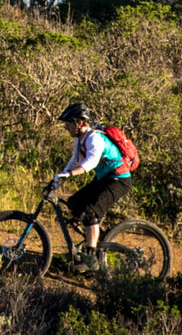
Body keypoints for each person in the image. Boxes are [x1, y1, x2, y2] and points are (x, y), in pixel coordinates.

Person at [53, 102, 133, 273]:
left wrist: (70, 175)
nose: (66, 127)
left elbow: (90, 163)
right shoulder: (79, 139)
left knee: (90, 212)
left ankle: (91, 258)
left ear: (79, 122)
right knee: (74, 203)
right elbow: (74, 161)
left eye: (68, 124)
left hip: (119, 179)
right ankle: (95, 240)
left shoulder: (94, 138)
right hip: (105, 179)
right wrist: (57, 179)